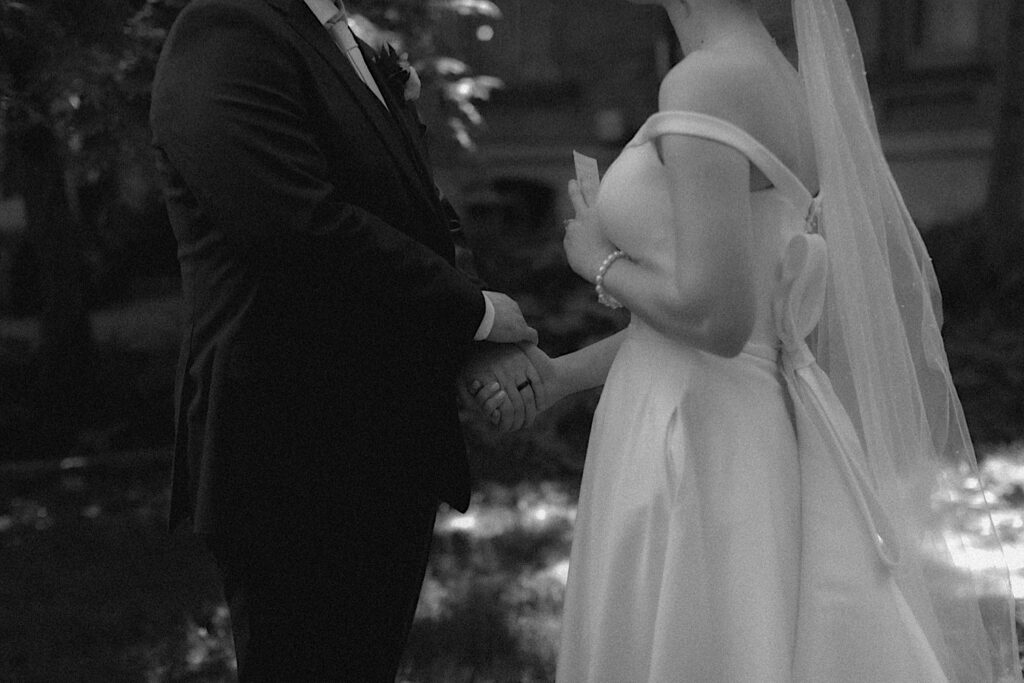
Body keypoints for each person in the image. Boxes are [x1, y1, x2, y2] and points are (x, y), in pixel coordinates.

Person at [467, 0, 1020, 680]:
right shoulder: (781, 83)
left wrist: (597, 261)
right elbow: (737, 328)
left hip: (694, 442)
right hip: (726, 422)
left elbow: (715, 320)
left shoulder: (706, 82)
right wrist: (561, 374)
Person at [149, 0, 546, 678]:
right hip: (291, 449)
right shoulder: (224, 29)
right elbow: (292, 225)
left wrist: (472, 331)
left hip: (385, 445)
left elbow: (422, 207)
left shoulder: (336, 38)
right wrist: (471, 311)